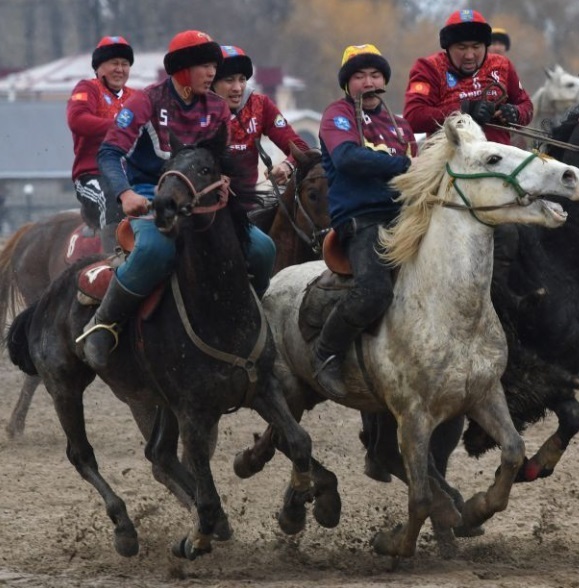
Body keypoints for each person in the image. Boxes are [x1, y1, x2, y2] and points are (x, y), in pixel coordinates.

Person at [81, 30, 277, 368]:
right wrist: (125, 193)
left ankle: (248, 316)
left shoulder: (216, 106)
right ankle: (104, 323)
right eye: (205, 66)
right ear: (183, 69)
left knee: (262, 249)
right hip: (150, 192)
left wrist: (225, 179)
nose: (213, 73)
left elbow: (218, 159)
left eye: (214, 65)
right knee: (156, 250)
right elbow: (109, 154)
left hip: (201, 196)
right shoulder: (145, 101)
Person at [313, 44, 417, 399]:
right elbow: (346, 158)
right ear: (348, 84)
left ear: (384, 81)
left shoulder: (400, 124)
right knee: (375, 291)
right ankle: (326, 353)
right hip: (361, 218)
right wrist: (402, 165)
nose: (368, 82)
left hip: (405, 216)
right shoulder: (336, 116)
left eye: (374, 75)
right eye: (359, 76)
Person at [210, 44, 314, 230]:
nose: (237, 88)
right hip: (204, 207)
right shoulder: (197, 108)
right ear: (212, 82)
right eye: (229, 80)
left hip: (248, 207)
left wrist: (286, 166)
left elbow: (301, 147)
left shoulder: (261, 105)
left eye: (242, 79)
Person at [403, 9, 533, 146]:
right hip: (449, 160)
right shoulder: (429, 68)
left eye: (476, 47)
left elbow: (526, 106)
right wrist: (463, 111)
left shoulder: (502, 65)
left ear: (485, 46)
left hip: (499, 159)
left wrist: (516, 113)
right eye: (461, 47)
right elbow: (413, 117)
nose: (469, 55)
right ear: (448, 48)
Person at [66, 35, 136, 253]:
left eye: (125, 64)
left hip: (132, 176)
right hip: (92, 176)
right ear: (99, 67)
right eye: (114, 63)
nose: (120, 69)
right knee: (113, 198)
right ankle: (115, 264)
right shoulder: (88, 88)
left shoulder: (137, 97)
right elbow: (77, 120)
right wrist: (118, 126)